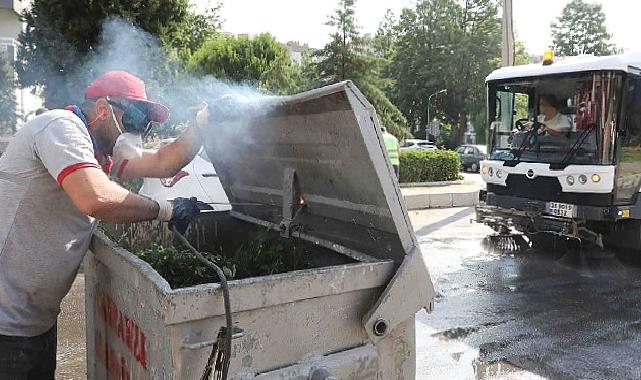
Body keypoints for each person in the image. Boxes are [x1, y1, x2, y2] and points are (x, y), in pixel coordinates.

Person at [0, 70, 210, 379]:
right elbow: (95, 197)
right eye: (135, 119)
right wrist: (165, 210)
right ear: (103, 109)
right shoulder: (61, 127)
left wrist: (202, 125)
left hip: (35, 320)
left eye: (145, 124)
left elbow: (164, 161)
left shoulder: (97, 153)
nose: (140, 130)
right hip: (6, 325)